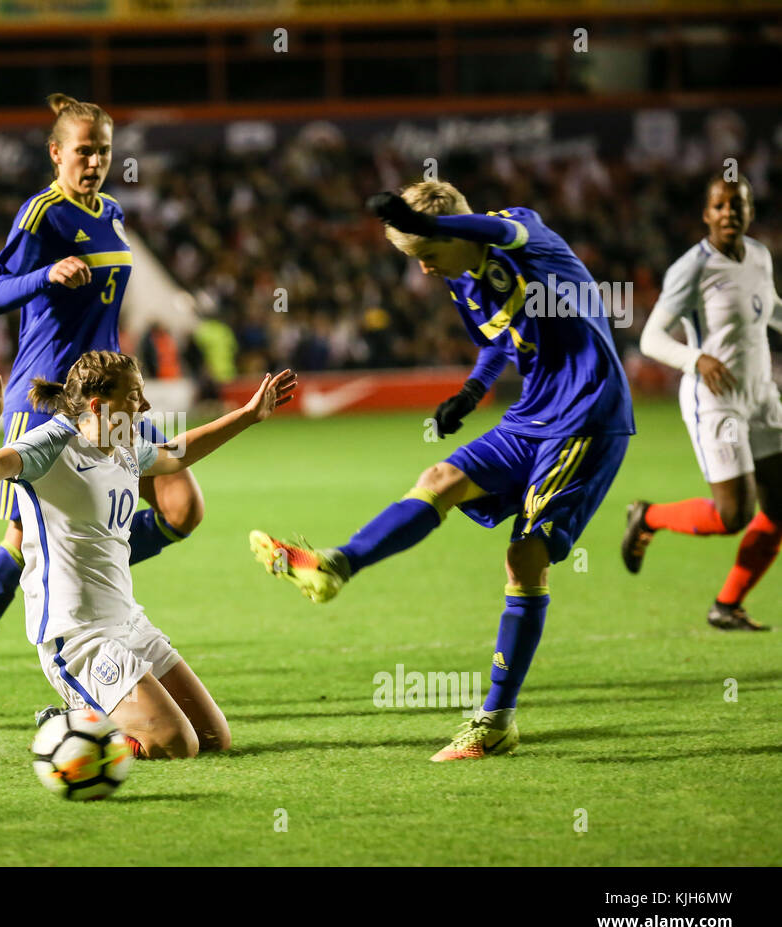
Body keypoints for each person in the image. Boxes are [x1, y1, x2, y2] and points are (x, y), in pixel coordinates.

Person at [251, 181, 634, 761]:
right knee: (439, 481)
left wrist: (430, 227)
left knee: (526, 555)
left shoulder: (523, 236)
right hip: (531, 414)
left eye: (426, 255)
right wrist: (471, 391)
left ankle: (496, 720)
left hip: (584, 415)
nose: (425, 270)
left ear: (449, 234)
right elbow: (499, 338)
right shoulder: (463, 280)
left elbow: (497, 231)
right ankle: (335, 566)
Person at [0, 94, 205, 719]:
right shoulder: (42, 212)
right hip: (47, 396)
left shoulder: (114, 212)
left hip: (111, 394)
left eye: (104, 150)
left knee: (183, 506)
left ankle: (91, 588)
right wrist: (45, 276)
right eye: (84, 150)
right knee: (21, 538)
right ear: (56, 154)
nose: (96, 160)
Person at [0, 351, 295, 757]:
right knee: (176, 744)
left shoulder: (124, 445)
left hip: (129, 623)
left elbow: (176, 453)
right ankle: (68, 728)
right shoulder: (51, 444)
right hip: (78, 637)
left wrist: (247, 415)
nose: (147, 406)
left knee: (212, 739)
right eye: (136, 396)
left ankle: (93, 722)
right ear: (101, 407)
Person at [622, 174, 782, 630]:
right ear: (706, 214)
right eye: (720, 205)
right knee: (734, 515)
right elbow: (651, 338)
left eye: (738, 204)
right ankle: (648, 516)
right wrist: (697, 359)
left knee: (781, 506)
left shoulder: (759, 256)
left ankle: (727, 605)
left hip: (761, 395)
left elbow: (768, 308)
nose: (729, 212)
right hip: (716, 401)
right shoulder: (691, 268)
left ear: (750, 211)